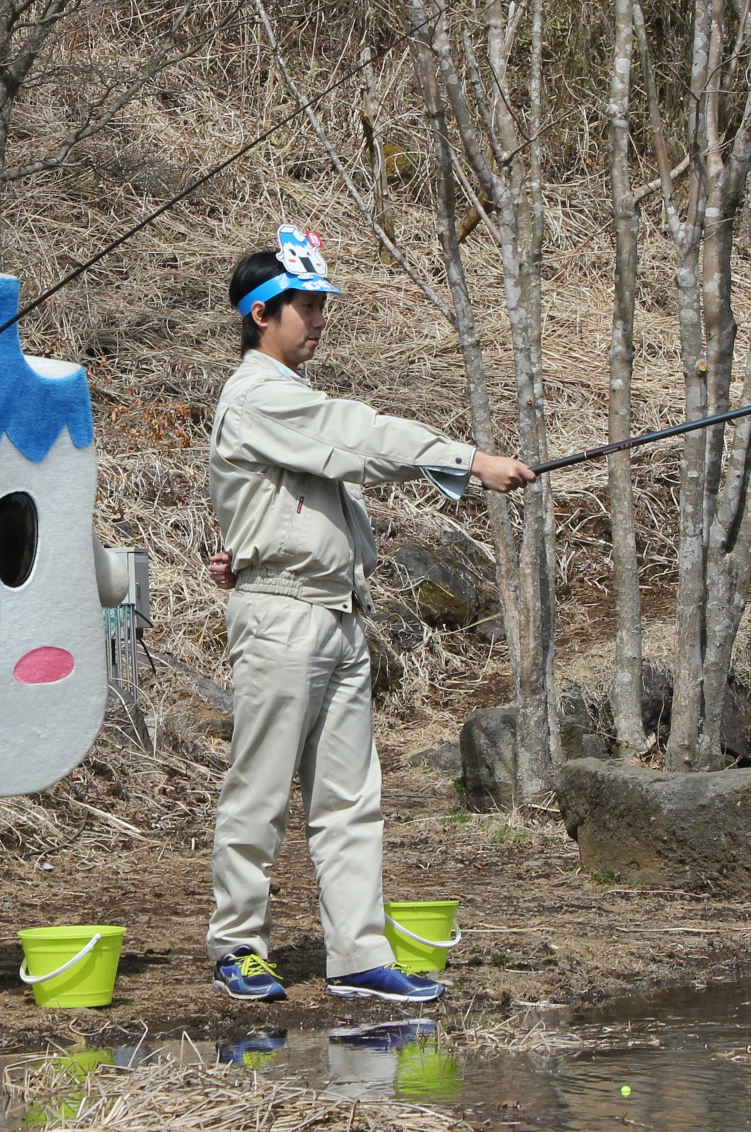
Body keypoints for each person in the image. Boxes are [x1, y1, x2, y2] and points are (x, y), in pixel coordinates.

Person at [204, 227, 534, 1004]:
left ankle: (357, 956)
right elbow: (358, 433)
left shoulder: (290, 404)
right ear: (261, 314)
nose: (319, 321)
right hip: (283, 619)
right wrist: (468, 459)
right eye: (307, 307)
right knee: (259, 793)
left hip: (336, 617)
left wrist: (462, 471)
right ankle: (238, 946)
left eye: (323, 307)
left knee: (351, 803)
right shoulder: (259, 396)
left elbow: (322, 490)